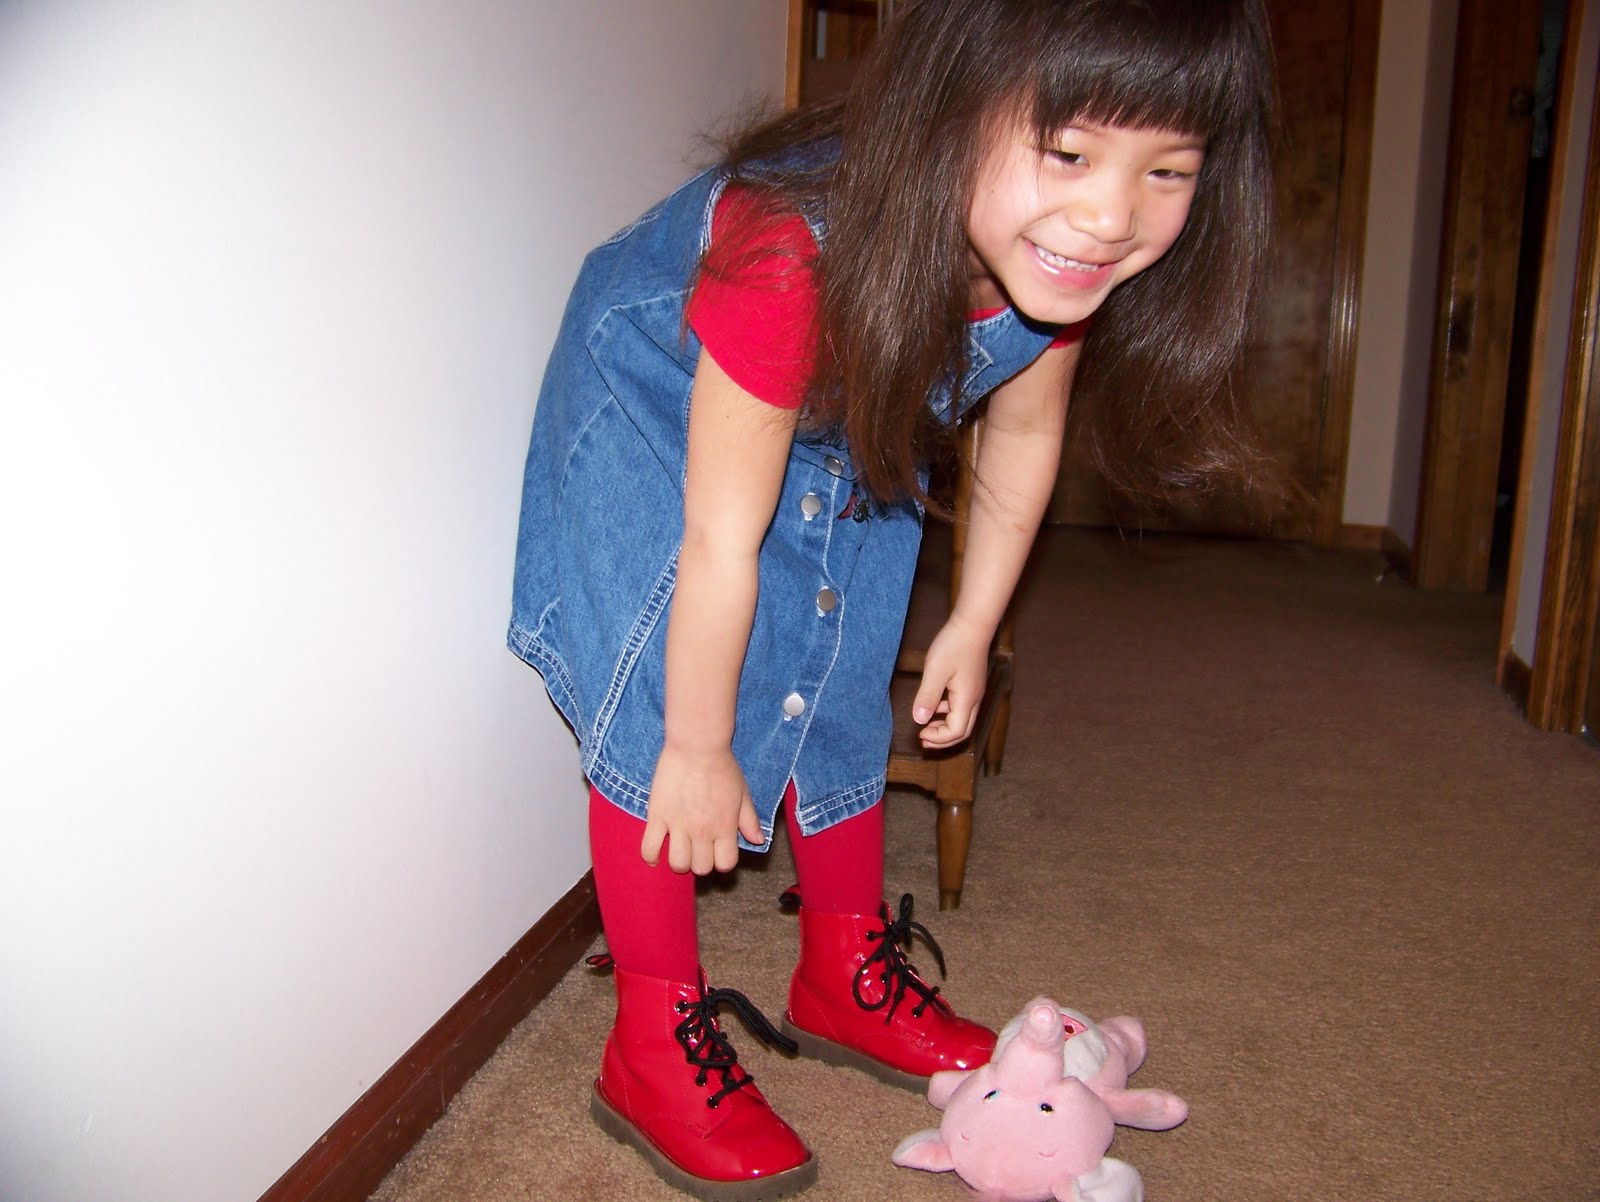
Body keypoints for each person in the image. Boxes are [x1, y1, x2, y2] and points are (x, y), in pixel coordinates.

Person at [508, 1, 1277, 1197]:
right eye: (1068, 153)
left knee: (848, 641)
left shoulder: (1053, 259)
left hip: (845, 387)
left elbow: (1024, 432)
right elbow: (719, 537)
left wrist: (971, 622)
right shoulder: (786, 250)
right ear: (946, 112)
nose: (1110, 214)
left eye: (1166, 170)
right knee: (667, 684)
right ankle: (649, 1037)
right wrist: (700, 747)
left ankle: (841, 972)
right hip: (663, 399)